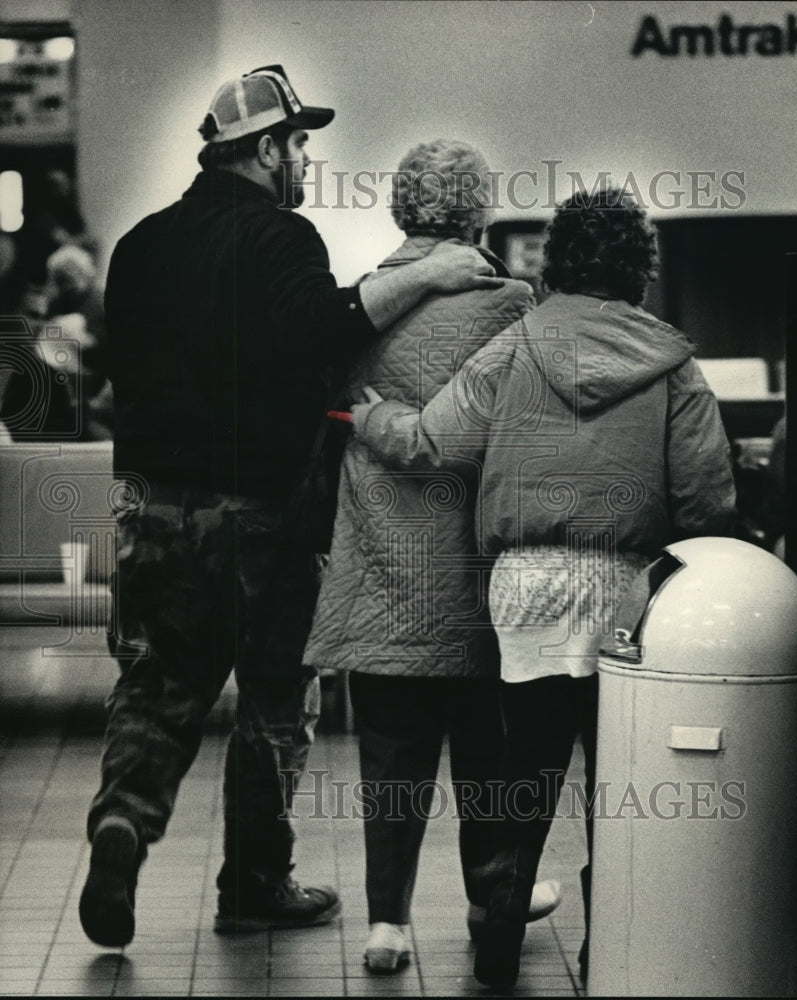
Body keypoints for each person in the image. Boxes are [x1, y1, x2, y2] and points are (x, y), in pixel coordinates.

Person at [77, 65, 500, 950]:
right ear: (265, 150)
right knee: (275, 701)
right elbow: (324, 326)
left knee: (157, 689)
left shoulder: (140, 246)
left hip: (149, 510)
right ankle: (256, 883)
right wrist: (435, 275)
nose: (306, 159)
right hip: (258, 516)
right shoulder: (280, 237)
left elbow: (115, 374)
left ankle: (120, 829)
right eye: (299, 142)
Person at [349, 185, 737, 987]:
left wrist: (372, 416)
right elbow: (707, 499)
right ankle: (608, 949)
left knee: (525, 770)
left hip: (524, 587)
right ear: (640, 268)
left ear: (555, 261)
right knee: (614, 780)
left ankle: (497, 935)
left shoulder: (515, 346)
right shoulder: (672, 361)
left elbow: (432, 442)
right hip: (629, 591)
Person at [303, 139, 561, 973]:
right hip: (478, 569)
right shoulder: (515, 305)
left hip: (380, 565)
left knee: (389, 754)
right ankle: (492, 898)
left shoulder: (363, 309)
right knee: (486, 746)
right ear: (479, 212)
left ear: (398, 212)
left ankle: (387, 922)